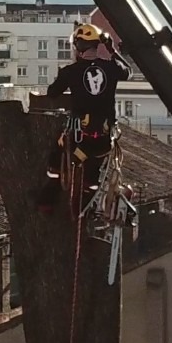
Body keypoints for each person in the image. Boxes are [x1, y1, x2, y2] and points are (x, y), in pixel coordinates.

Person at [37, 23, 131, 212]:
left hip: (78, 138)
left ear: (78, 47)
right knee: (92, 178)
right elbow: (127, 72)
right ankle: (84, 209)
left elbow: (52, 93)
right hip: (102, 140)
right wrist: (112, 50)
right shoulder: (111, 68)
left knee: (56, 162)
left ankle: (48, 201)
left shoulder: (70, 71)